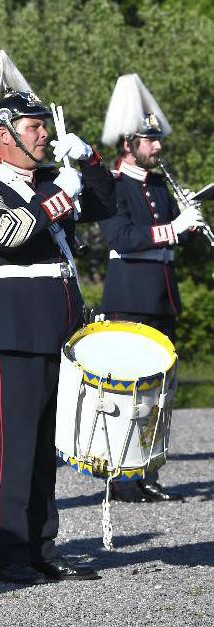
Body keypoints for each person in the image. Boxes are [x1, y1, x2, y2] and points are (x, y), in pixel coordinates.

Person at [0, 50, 114, 585]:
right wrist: (57, 198)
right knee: (14, 449)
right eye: (34, 127)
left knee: (45, 448)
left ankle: (42, 546)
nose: (43, 135)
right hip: (15, 335)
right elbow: (9, 233)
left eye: (45, 126)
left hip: (56, 332)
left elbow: (106, 203)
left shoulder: (51, 181)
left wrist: (89, 160)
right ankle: (11, 554)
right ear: (5, 134)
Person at [99, 73, 203, 503]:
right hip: (130, 298)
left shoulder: (159, 184)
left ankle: (145, 470)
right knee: (128, 389)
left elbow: (165, 234)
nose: (157, 147)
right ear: (128, 142)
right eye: (149, 140)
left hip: (161, 295)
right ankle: (122, 477)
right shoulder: (111, 186)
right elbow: (122, 237)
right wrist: (171, 228)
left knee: (157, 391)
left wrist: (189, 224)